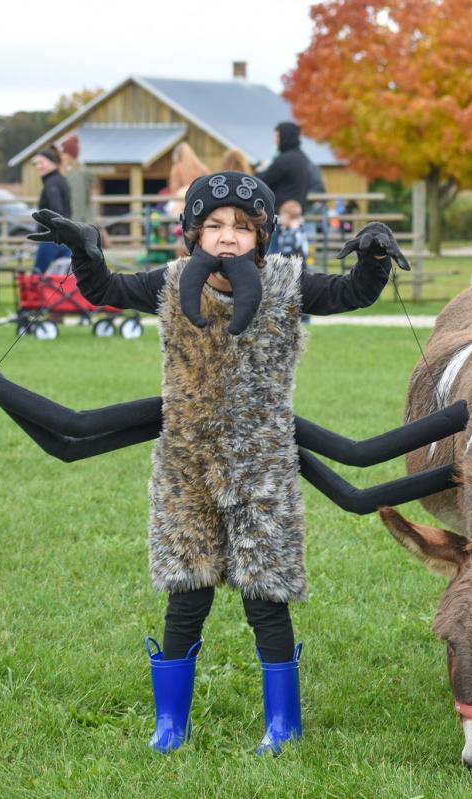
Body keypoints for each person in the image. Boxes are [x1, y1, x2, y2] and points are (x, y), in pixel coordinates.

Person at [24, 172, 408, 755]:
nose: (228, 238)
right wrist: (85, 249)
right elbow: (106, 289)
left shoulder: (288, 283)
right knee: (187, 592)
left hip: (263, 465)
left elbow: (351, 292)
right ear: (193, 234)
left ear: (262, 237)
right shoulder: (172, 281)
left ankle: (283, 725)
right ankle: (169, 726)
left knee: (266, 595)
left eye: (243, 228)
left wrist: (374, 256)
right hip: (189, 464)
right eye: (215, 226)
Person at [256, 122, 315, 253]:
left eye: (277, 136)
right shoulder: (303, 159)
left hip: (280, 217)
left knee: (273, 257)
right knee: (294, 256)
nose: (275, 140)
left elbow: (263, 181)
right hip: (295, 215)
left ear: (285, 136)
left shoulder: (284, 160)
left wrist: (260, 168)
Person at [31, 147, 72, 274]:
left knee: (37, 275)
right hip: (65, 237)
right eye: (37, 163)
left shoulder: (51, 183)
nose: (38, 166)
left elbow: (56, 209)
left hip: (50, 238)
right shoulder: (61, 180)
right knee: (62, 278)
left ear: (53, 162)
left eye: (42, 162)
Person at [276, 199, 309, 264]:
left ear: (287, 216)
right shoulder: (286, 231)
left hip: (297, 264)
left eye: (282, 216)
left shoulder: (297, 232)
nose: (281, 219)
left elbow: (303, 250)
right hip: (286, 263)